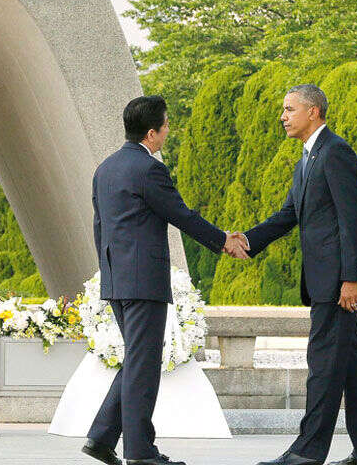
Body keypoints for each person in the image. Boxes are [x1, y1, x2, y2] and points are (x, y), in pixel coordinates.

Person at [228, 84, 357, 465]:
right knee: (352, 370)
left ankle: (307, 452)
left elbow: (353, 220)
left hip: (337, 283)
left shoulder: (335, 152)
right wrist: (247, 240)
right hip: (324, 280)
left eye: (289, 110)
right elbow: (289, 214)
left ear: (313, 112)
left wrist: (351, 278)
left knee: (322, 366)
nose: (283, 117)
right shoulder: (307, 157)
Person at [82, 95, 248, 465]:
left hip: (117, 279)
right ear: (152, 132)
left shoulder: (105, 169)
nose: (168, 131)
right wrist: (223, 240)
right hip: (144, 281)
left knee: (137, 360)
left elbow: (99, 227)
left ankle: (101, 437)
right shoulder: (148, 169)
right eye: (167, 125)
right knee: (143, 364)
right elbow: (181, 214)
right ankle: (140, 452)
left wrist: (108, 273)